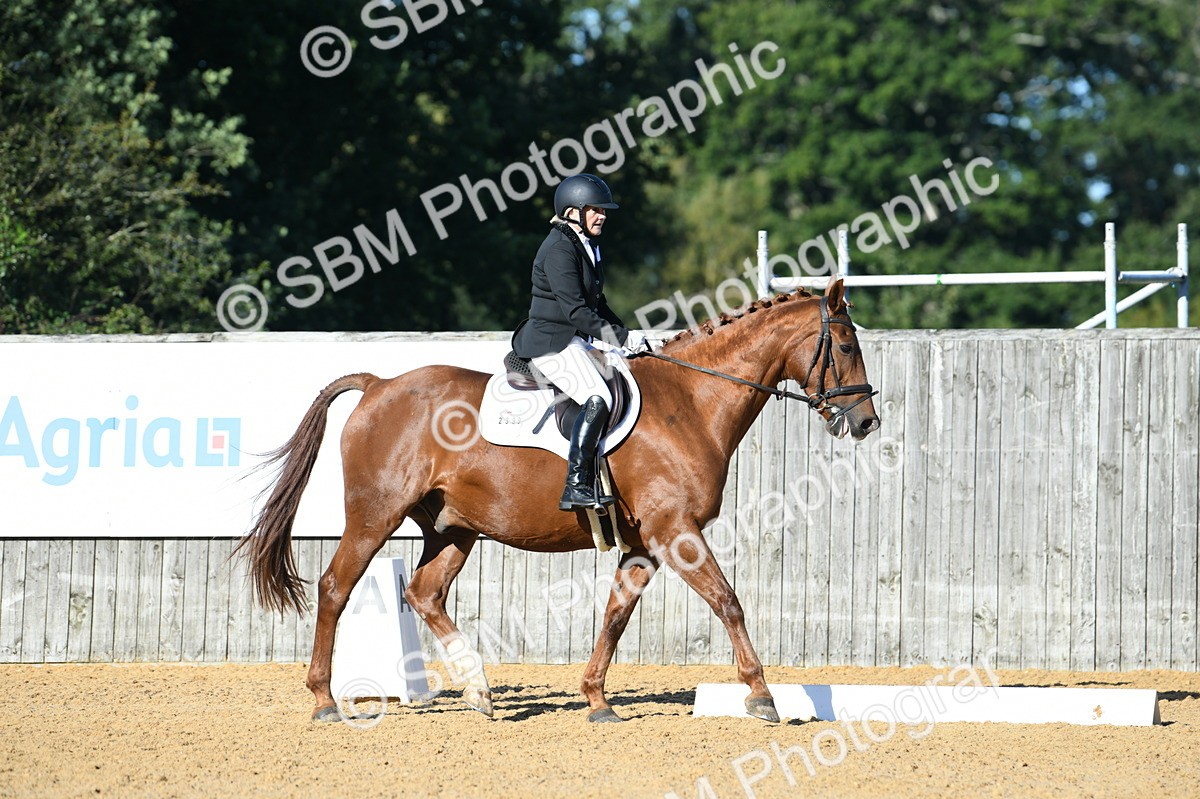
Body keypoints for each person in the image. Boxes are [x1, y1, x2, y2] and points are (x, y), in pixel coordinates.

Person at [510, 173, 649, 511]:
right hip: (551, 342)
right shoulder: (559, 248)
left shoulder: (585, 244)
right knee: (597, 396)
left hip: (574, 339)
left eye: (603, 210)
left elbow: (597, 304)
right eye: (595, 210)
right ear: (573, 212)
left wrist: (628, 334)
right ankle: (576, 485)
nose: (602, 215)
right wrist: (619, 338)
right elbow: (575, 312)